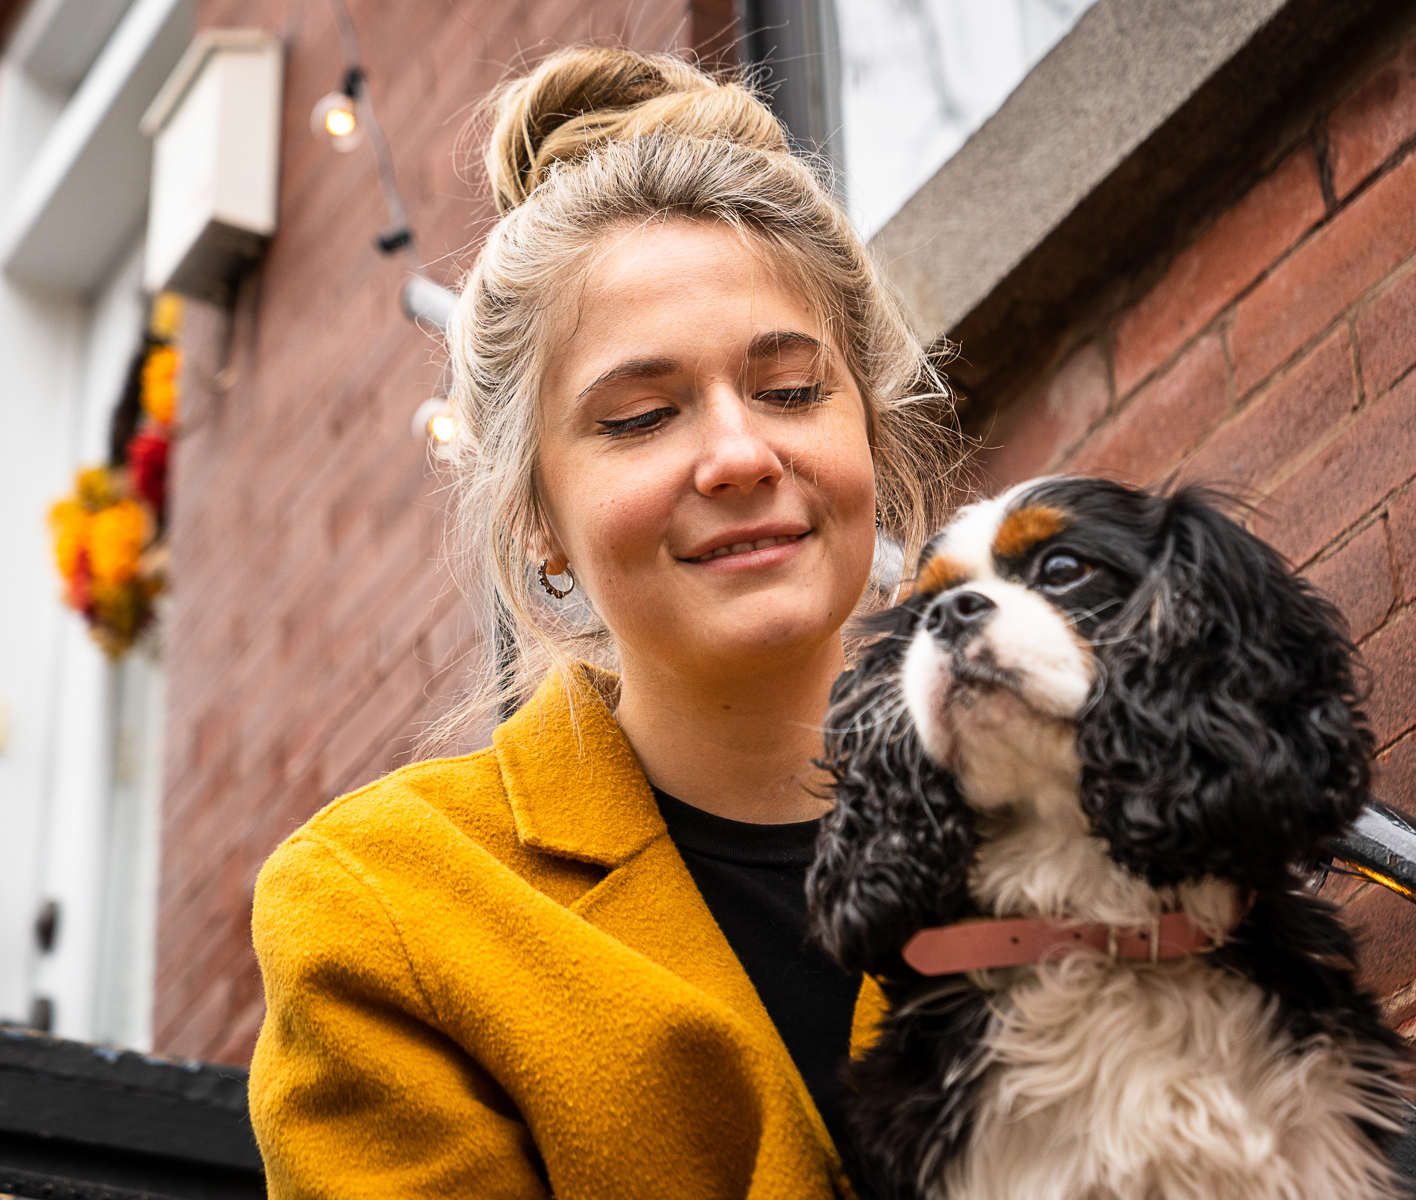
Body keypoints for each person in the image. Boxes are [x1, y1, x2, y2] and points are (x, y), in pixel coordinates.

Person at [247, 44, 959, 1198]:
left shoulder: (1064, 797)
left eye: (788, 390)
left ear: (867, 434)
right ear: (537, 518)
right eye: (639, 417)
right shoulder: (391, 911)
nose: (739, 454)